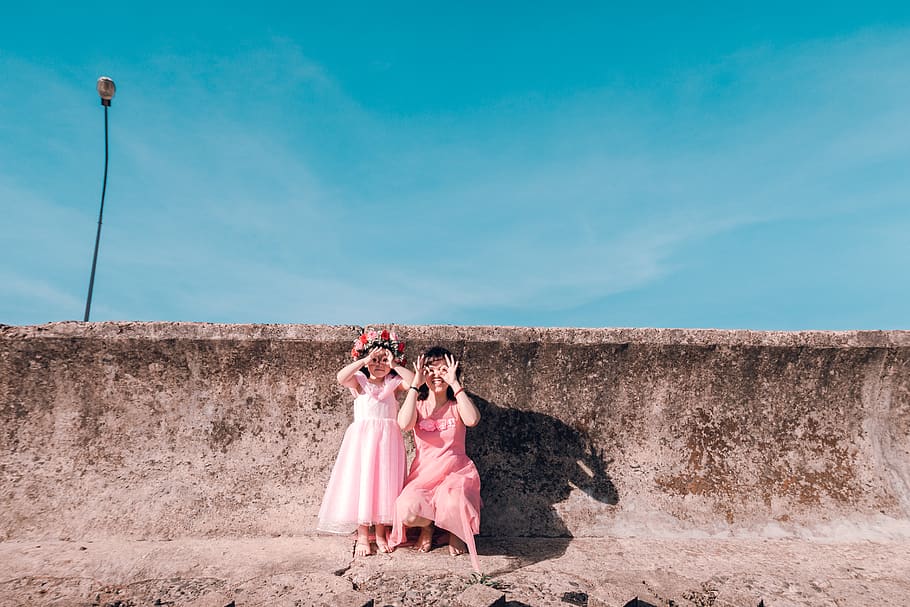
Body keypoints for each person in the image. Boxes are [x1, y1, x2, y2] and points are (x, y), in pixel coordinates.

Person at [317, 329, 414, 556]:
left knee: (384, 485)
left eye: (383, 360)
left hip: (388, 441)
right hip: (363, 442)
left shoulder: (394, 383)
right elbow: (341, 377)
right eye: (375, 360)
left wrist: (395, 363)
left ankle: (380, 533)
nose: (379, 364)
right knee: (364, 485)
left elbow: (413, 383)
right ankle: (363, 535)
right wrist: (364, 360)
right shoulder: (359, 382)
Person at [390, 347, 483, 572]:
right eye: (430, 370)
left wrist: (455, 384)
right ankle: (430, 526)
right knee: (407, 513)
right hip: (424, 475)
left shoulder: (456, 405)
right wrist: (416, 385)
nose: (436, 375)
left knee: (454, 503)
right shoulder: (419, 405)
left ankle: (455, 530)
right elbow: (403, 424)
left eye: (443, 369)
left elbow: (472, 420)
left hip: (456, 474)